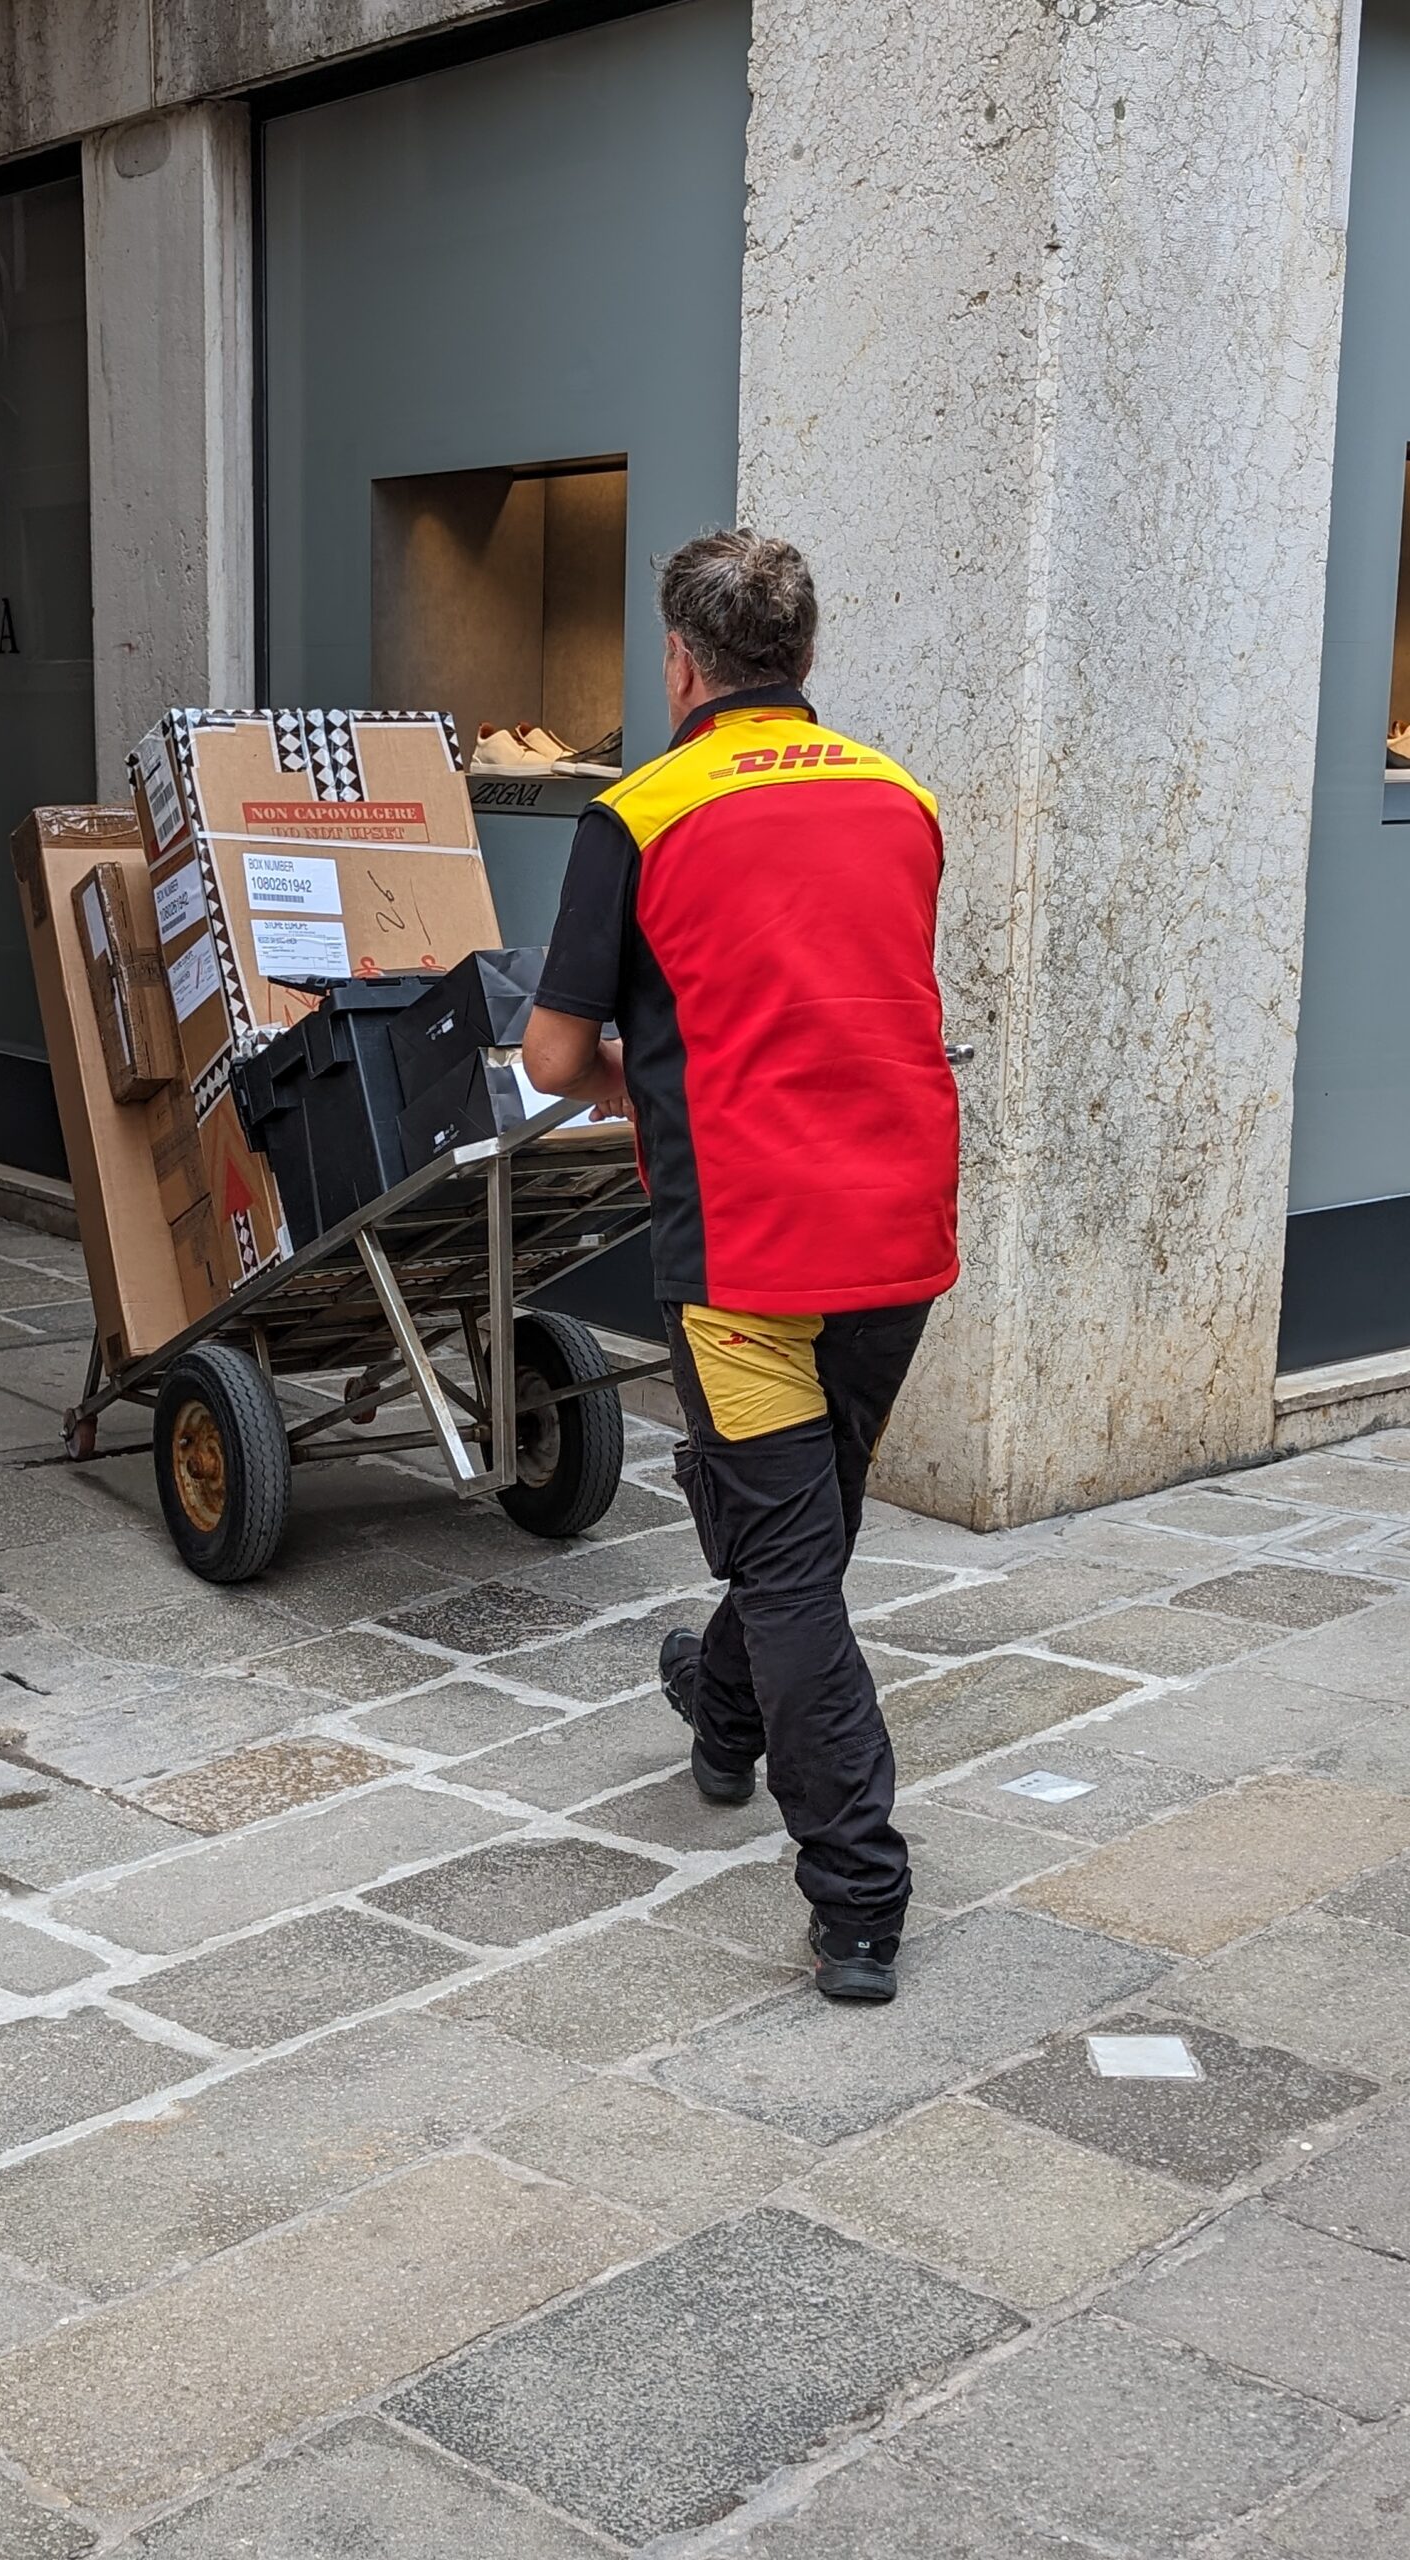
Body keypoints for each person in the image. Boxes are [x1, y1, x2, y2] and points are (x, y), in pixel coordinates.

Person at [521, 530, 959, 2004]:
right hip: (897, 1234)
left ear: (681, 664)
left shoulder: (637, 816)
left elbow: (553, 1053)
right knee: (803, 1540)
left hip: (750, 1252)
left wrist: (646, 1073)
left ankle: (858, 1896)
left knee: (788, 1569)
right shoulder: (903, 798)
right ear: (806, 658)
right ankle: (720, 1714)